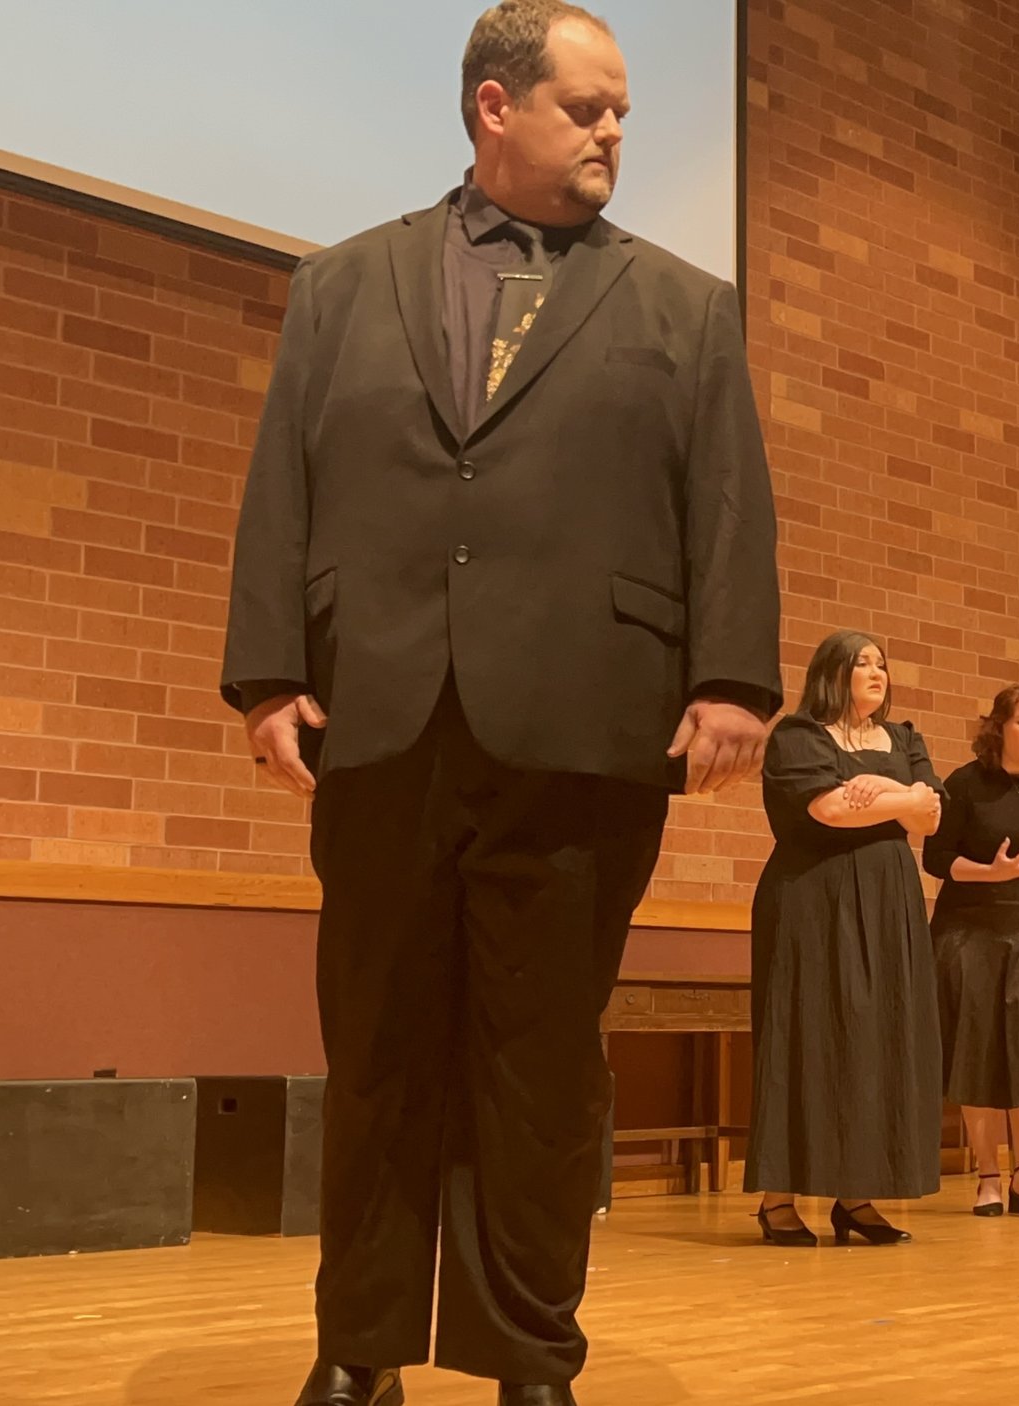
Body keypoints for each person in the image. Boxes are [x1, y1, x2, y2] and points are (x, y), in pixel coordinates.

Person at [219, 4, 781, 1402]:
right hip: (381, 715)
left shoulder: (684, 306)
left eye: (622, 114)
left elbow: (727, 501)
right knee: (378, 1051)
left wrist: (729, 677)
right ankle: (358, 1347)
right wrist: (271, 668)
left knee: (540, 1069)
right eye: (586, 108)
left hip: (588, 723)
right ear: (493, 106)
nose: (613, 135)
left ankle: (530, 1352)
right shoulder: (343, 284)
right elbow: (283, 477)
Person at [745, 631, 946, 1247]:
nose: (877, 672)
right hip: (814, 899)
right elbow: (829, 811)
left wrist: (887, 793)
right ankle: (778, 1201)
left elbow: (934, 816)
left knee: (877, 1039)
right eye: (862, 663)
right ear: (832, 672)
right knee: (803, 1034)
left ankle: (855, 1197)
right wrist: (902, 796)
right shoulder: (797, 737)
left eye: (882, 663)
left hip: (888, 905)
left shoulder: (905, 738)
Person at [924, 684, 1019, 1218]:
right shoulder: (964, 785)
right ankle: (989, 1176)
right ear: (999, 730)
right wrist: (989, 872)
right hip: (967, 930)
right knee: (976, 1045)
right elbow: (936, 858)